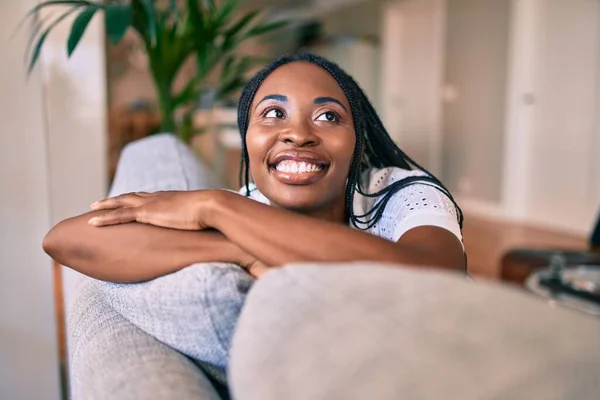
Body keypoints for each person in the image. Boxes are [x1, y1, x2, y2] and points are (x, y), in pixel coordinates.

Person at [43, 52, 466, 394]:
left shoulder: (398, 192)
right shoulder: (252, 206)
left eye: (328, 117)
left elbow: (437, 277)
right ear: (248, 138)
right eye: (273, 114)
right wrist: (241, 247)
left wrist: (214, 207)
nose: (298, 133)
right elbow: (66, 239)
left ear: (358, 143)